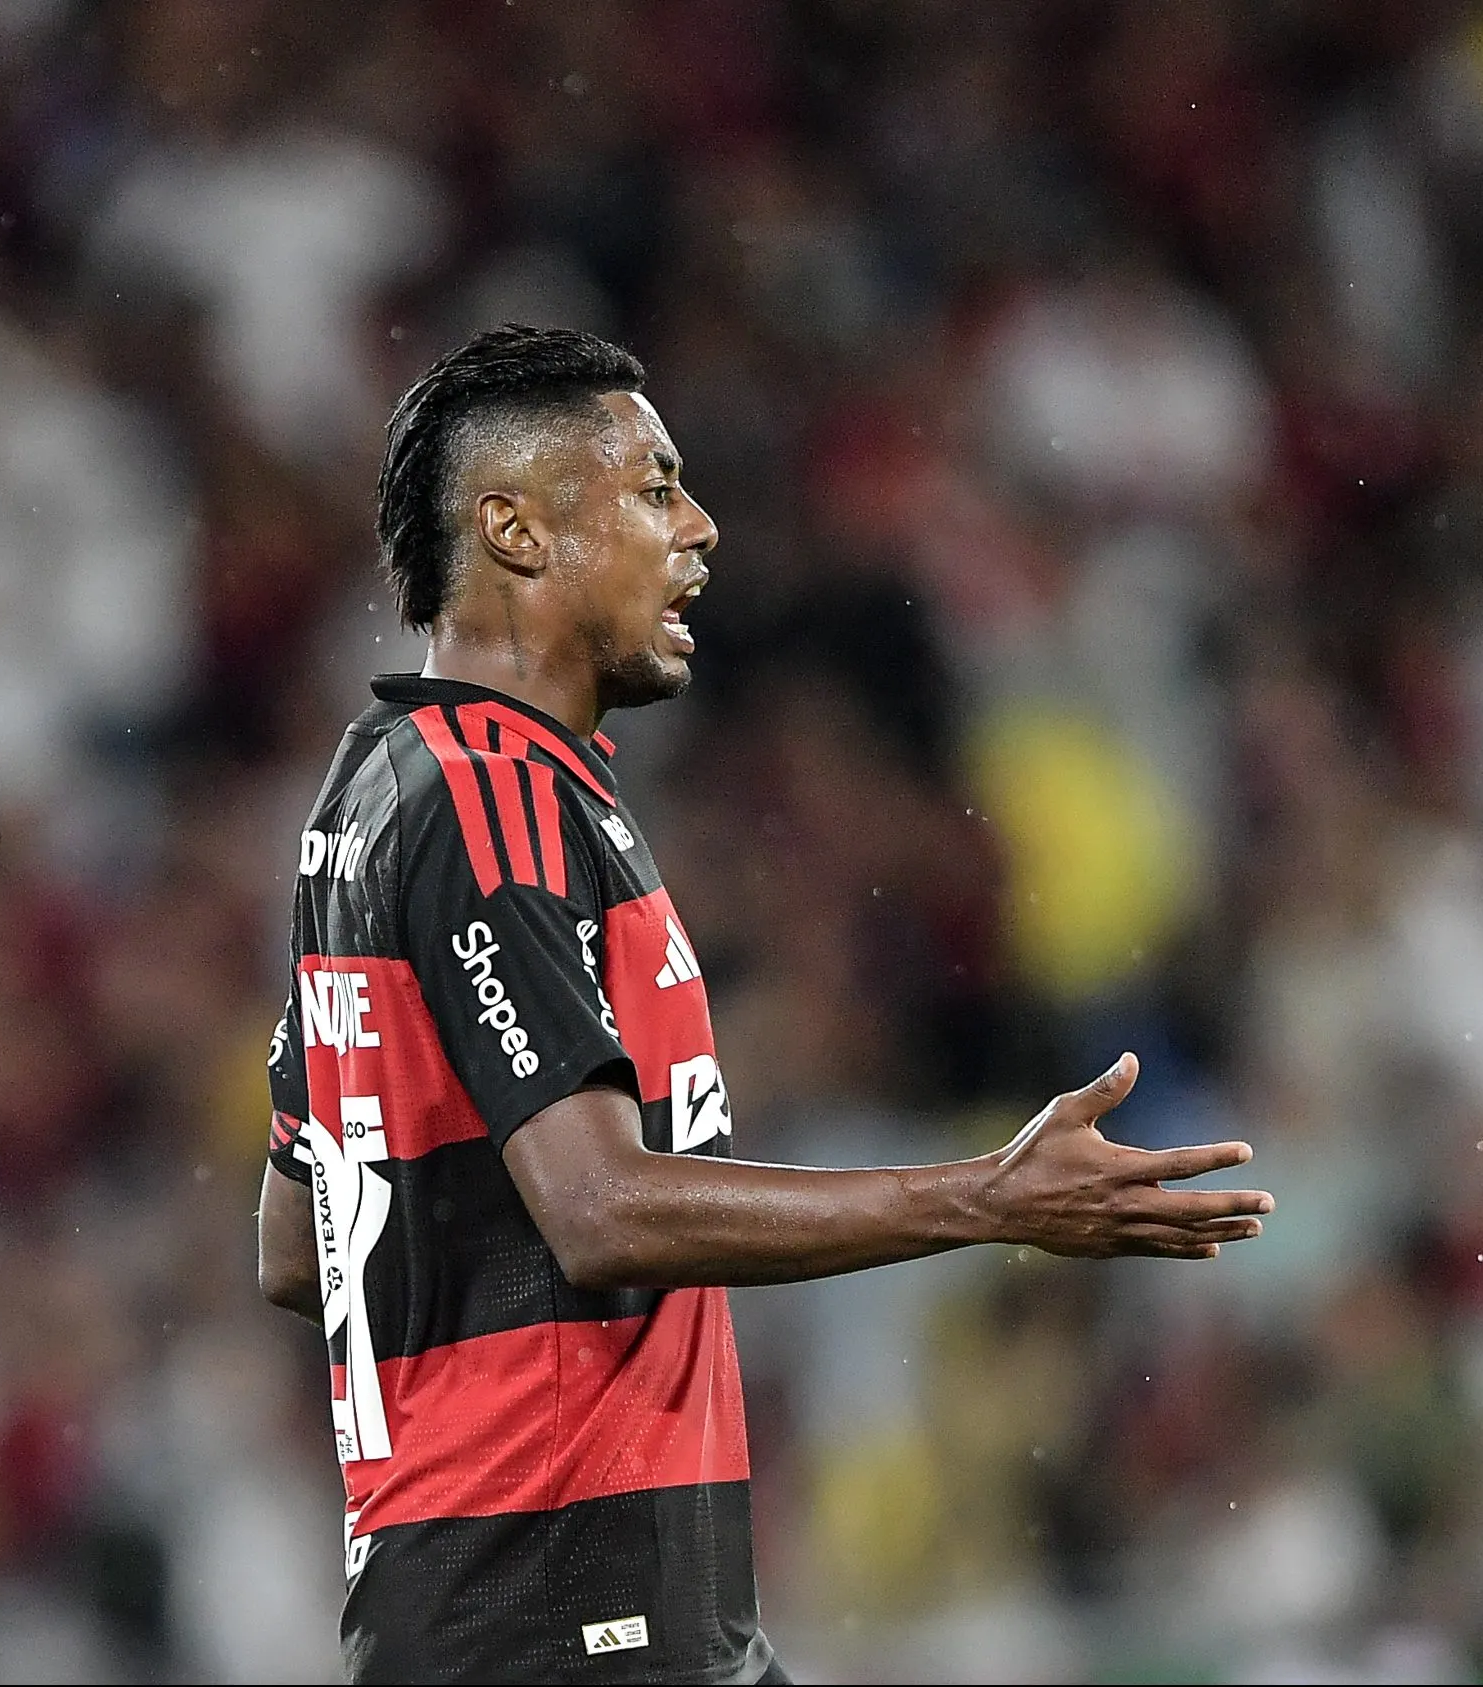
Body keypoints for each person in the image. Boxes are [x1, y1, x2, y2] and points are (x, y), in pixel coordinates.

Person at [256, 324, 1276, 1685]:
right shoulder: (493, 799)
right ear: (514, 530)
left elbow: (294, 1236)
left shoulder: (377, 792)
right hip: (566, 1617)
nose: (701, 528)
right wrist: (985, 1198)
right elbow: (602, 1210)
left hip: (530, 1610)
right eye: (652, 488)